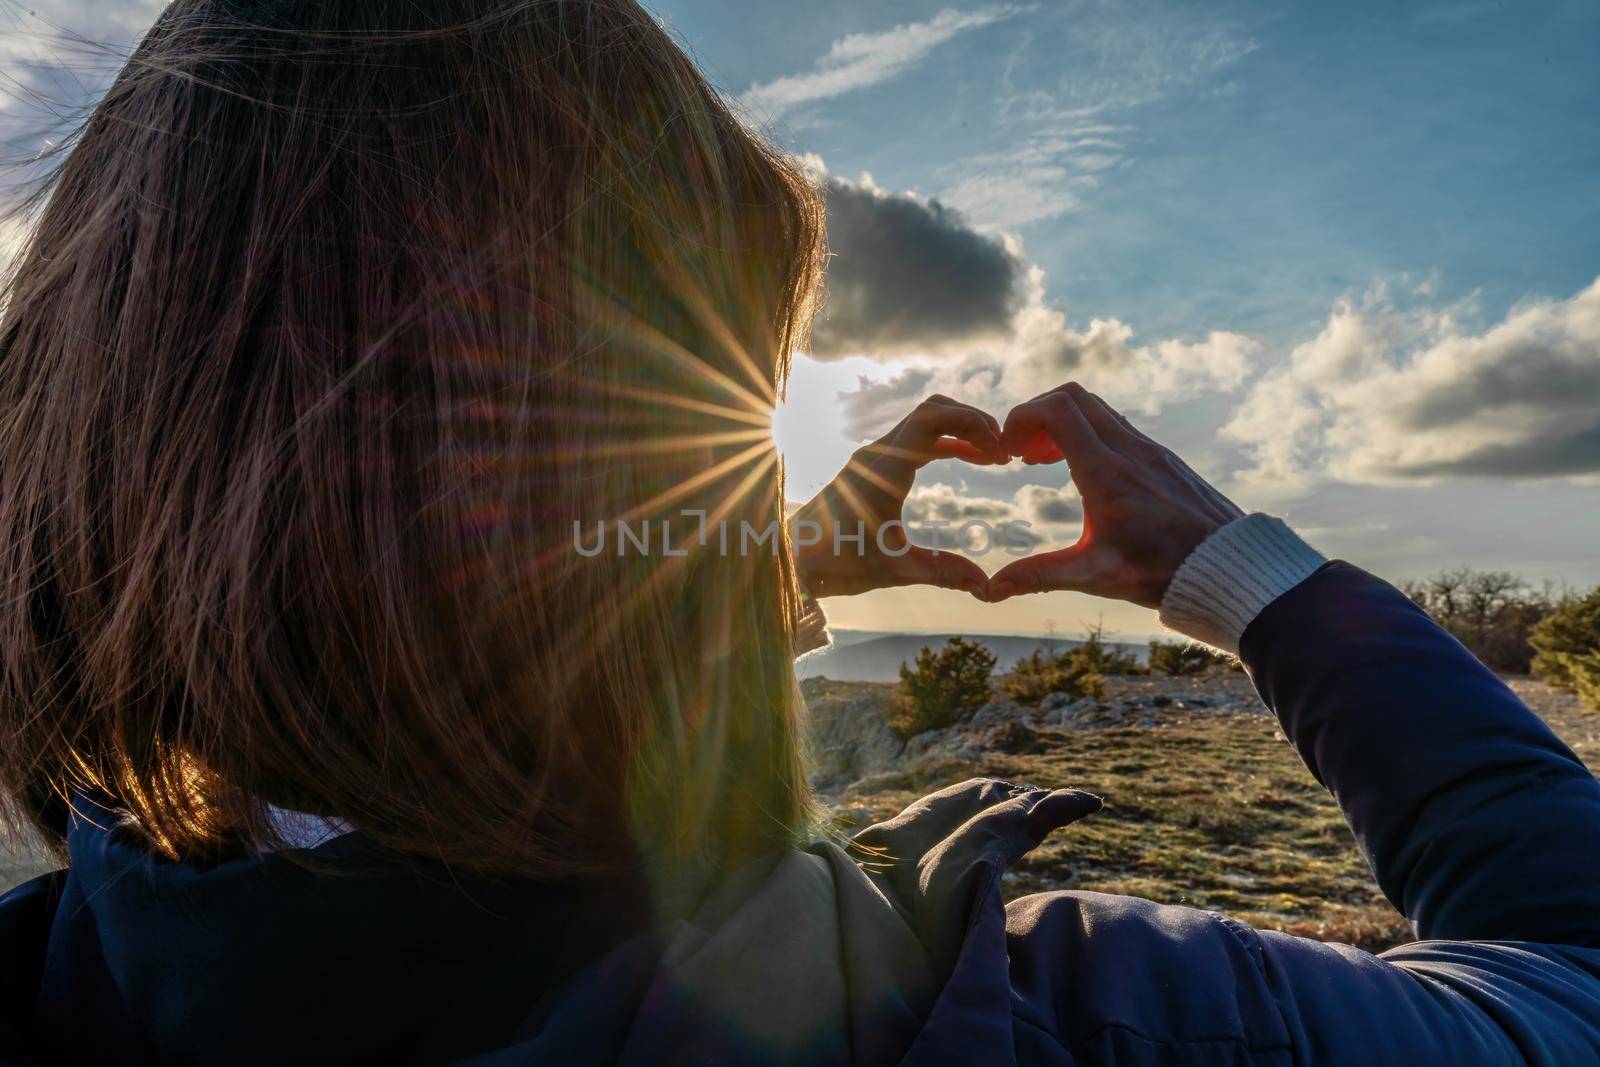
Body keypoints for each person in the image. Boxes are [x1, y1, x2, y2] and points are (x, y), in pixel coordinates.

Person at [0, 2, 1596, 1063]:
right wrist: (1259, 586)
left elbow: (385, 656)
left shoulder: (69, 977)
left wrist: (735, 573)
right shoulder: (1088, 1020)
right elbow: (1571, 967)